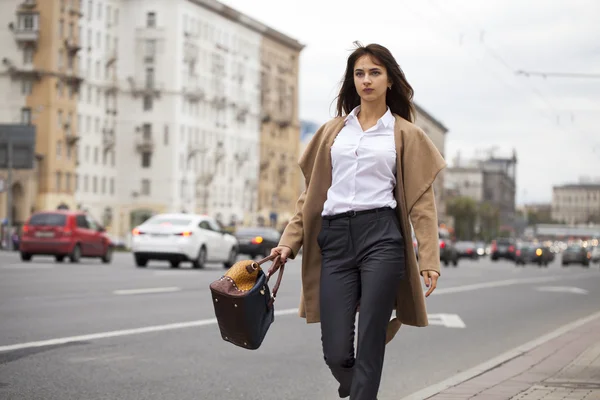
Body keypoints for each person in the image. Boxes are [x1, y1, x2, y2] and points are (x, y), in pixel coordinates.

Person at [270, 42, 446, 399]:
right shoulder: (333, 133)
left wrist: (429, 259)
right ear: (353, 81)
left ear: (390, 81)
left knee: (371, 334)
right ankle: (357, 385)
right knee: (336, 348)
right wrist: (289, 242)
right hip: (334, 239)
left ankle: (364, 391)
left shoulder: (404, 134)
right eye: (360, 73)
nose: (366, 80)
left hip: (381, 236)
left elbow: (422, 204)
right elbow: (311, 195)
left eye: (375, 73)